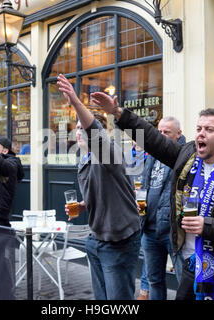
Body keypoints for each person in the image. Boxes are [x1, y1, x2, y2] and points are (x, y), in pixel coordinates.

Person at [91, 92, 214, 300]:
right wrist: (117, 113)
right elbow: (153, 139)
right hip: (191, 264)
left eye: (209, 130)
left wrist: (208, 225)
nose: (201, 134)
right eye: (199, 128)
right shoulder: (187, 157)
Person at [57, 74, 141, 300]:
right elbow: (102, 190)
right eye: (76, 128)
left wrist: (75, 101)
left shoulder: (109, 152)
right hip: (95, 238)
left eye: (82, 127)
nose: (79, 131)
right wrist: (84, 204)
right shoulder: (83, 159)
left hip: (119, 241)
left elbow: (97, 136)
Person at [139, 117, 185, 300]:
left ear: (178, 134)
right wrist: (140, 208)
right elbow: (145, 184)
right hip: (149, 230)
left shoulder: (183, 154)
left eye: (167, 132)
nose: (162, 135)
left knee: (184, 282)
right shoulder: (152, 154)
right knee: (154, 281)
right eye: (160, 132)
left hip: (172, 231)